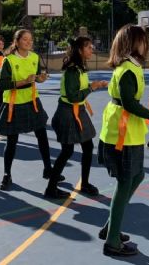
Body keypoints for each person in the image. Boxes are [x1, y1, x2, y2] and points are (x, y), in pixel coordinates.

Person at [97, 25, 149, 256]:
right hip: (122, 134)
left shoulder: (131, 66)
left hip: (129, 132)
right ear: (134, 43)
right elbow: (128, 103)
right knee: (125, 181)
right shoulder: (127, 69)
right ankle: (112, 242)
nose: (146, 43)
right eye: (143, 40)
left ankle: (111, 228)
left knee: (137, 176)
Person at [0, 29, 54, 192]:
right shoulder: (9, 60)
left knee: (42, 136)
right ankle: (7, 174)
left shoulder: (34, 57)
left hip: (32, 101)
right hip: (14, 103)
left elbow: (37, 76)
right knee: (12, 142)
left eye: (31, 40)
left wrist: (40, 79)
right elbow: (1, 85)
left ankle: (48, 169)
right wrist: (23, 82)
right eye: (25, 39)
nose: (29, 42)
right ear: (17, 41)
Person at [46, 36, 108, 198]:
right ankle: (51, 188)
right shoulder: (73, 69)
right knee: (67, 151)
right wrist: (92, 88)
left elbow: (77, 91)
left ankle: (84, 183)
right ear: (80, 50)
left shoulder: (79, 68)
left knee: (87, 148)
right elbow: (73, 96)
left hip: (77, 110)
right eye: (88, 47)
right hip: (68, 112)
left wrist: (93, 85)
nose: (91, 50)